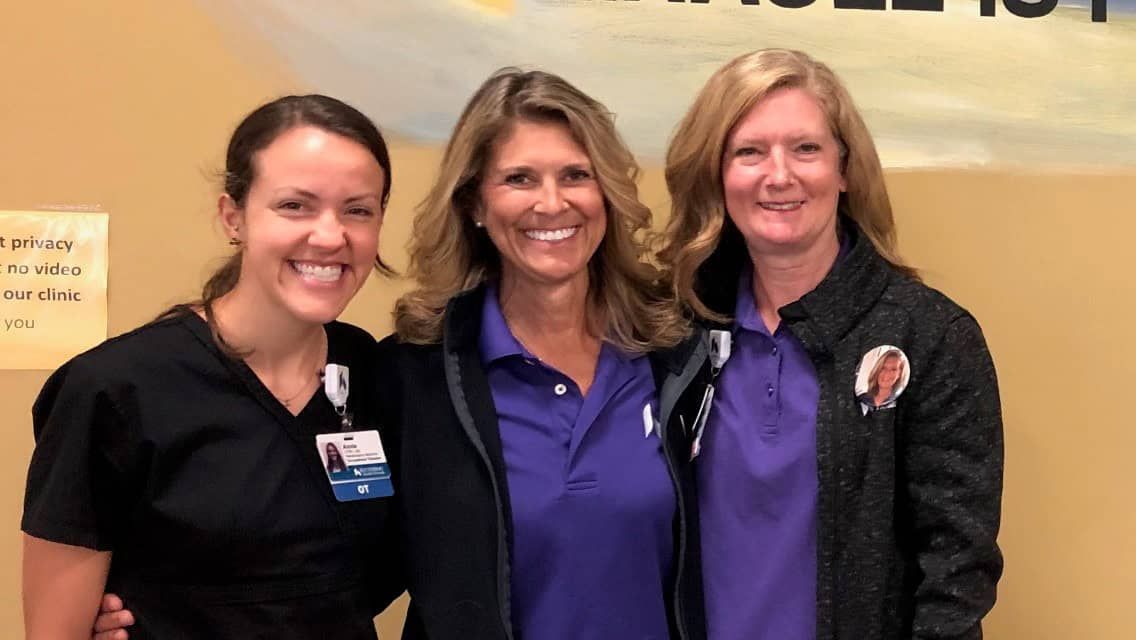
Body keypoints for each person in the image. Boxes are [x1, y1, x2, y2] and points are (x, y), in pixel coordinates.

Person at [22, 95, 403, 639]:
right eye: (295, 205)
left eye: (357, 209)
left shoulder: (372, 370)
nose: (329, 235)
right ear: (233, 216)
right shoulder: (115, 390)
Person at [658, 49, 1004, 640]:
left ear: (845, 169)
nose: (779, 174)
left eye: (805, 148)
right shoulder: (671, 329)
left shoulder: (930, 336)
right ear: (716, 174)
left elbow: (956, 571)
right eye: (748, 151)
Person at [377, 67, 709, 640]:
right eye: (519, 179)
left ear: (606, 194)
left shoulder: (678, 354)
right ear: (475, 203)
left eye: (576, 175)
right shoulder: (415, 374)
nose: (552, 204)